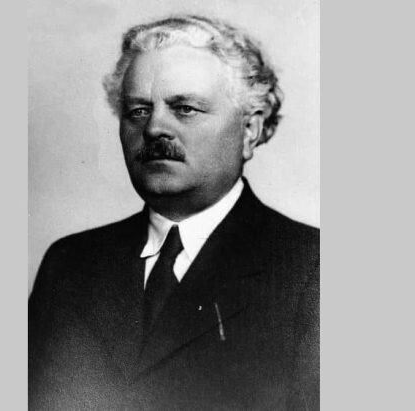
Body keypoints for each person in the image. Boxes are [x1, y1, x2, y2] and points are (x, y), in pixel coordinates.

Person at [29, 14, 319, 410]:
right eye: (138, 111)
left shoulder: (311, 269)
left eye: (184, 108)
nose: (154, 129)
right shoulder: (70, 265)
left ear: (250, 130)